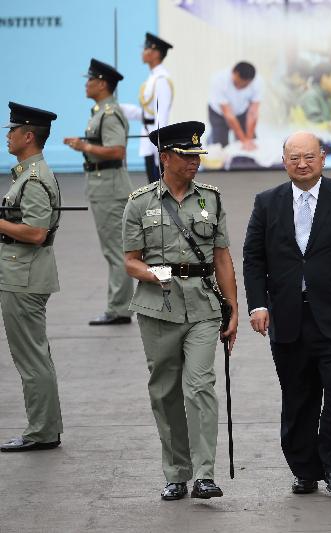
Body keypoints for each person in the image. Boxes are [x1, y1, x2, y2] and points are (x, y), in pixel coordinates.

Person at [243, 131, 331, 496]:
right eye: (294, 158)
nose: (302, 164)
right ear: (283, 161)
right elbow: (253, 258)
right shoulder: (267, 202)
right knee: (298, 395)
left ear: (323, 158)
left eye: (309, 157)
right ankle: (305, 468)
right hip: (288, 316)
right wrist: (258, 305)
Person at [122, 121, 239, 500]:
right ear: (165, 157)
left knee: (200, 386)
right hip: (159, 308)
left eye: (197, 156)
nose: (194, 163)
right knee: (165, 391)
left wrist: (233, 309)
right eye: (187, 156)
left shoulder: (211, 198)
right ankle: (176, 473)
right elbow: (130, 261)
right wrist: (157, 274)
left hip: (204, 306)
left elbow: (222, 257)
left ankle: (205, 474)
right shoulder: (140, 202)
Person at [0, 102, 63, 452]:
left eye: (11, 130)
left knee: (31, 357)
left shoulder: (35, 178)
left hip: (23, 276)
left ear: (28, 135)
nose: (7, 136)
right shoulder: (29, 173)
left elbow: (36, 232)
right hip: (23, 272)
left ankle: (41, 430)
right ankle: (45, 426)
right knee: (35, 354)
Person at [64, 59, 134, 325]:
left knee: (116, 250)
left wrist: (85, 147)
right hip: (103, 184)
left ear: (102, 83)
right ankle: (119, 306)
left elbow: (117, 150)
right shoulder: (100, 111)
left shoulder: (108, 114)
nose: (86, 84)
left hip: (109, 187)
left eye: (90, 80)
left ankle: (118, 309)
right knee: (114, 249)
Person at [120, 32, 174, 184]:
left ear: (155, 53)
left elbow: (161, 114)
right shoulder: (153, 77)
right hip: (147, 134)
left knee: (160, 183)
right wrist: (120, 108)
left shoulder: (162, 79)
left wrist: (160, 144)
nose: (142, 53)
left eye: (145, 49)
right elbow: (146, 112)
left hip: (155, 138)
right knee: (152, 182)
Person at [208, 61, 262, 149]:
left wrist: (248, 139)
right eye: (237, 84)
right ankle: (212, 137)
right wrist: (243, 140)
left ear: (250, 81)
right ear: (233, 73)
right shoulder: (219, 80)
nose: (239, 88)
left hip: (242, 111)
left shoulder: (258, 82)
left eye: (244, 86)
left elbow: (253, 112)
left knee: (252, 143)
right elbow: (229, 114)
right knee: (220, 146)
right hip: (219, 113)